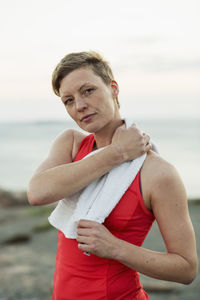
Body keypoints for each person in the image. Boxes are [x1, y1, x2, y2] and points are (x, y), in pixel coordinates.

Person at [27, 51, 198, 300]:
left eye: (88, 90)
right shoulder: (72, 145)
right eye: (68, 100)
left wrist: (115, 248)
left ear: (113, 88)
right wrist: (116, 153)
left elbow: (187, 269)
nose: (80, 106)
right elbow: (37, 193)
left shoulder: (157, 173)